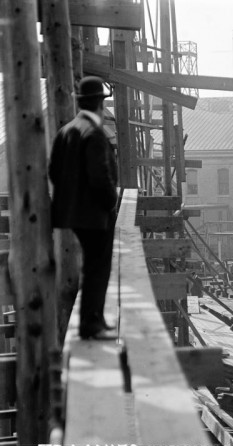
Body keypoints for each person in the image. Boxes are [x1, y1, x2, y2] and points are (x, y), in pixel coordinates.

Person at [49, 76, 117, 340]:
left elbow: (54, 171)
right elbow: (100, 177)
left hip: (74, 215)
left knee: (91, 265)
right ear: (100, 103)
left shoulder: (67, 130)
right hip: (95, 215)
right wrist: (110, 202)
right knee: (98, 267)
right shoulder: (94, 133)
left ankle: (95, 319)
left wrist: (71, 199)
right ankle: (92, 324)